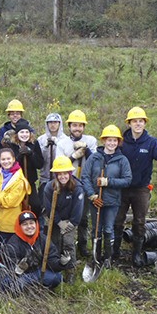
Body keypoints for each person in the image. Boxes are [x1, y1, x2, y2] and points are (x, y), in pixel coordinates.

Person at [114, 107, 157, 266]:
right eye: (134, 121)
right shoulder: (121, 141)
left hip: (141, 189)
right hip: (121, 187)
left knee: (139, 222)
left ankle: (136, 253)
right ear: (129, 123)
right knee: (117, 220)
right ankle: (114, 252)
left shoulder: (151, 142)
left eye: (141, 121)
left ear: (145, 123)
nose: (138, 124)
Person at [81, 125, 132, 268]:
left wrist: (108, 182)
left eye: (114, 140)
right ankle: (96, 257)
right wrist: (91, 195)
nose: (112, 143)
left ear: (118, 142)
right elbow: (85, 177)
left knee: (109, 229)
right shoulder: (94, 158)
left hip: (112, 201)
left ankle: (108, 258)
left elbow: (127, 180)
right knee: (96, 229)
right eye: (109, 140)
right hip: (95, 200)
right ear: (103, 141)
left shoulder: (122, 160)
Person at [0, 211, 69, 294]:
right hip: (22, 276)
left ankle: (36, 287)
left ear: (36, 224)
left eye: (31, 223)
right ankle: (26, 290)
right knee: (8, 284)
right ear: (19, 226)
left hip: (39, 272)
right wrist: (17, 270)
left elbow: (52, 260)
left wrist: (61, 263)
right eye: (25, 224)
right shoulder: (13, 243)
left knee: (57, 278)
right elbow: (8, 266)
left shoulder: (43, 239)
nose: (29, 227)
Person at [42, 156, 84, 284]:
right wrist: (59, 222)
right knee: (54, 243)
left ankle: (70, 269)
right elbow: (49, 209)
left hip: (70, 221)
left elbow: (78, 209)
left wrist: (70, 224)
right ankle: (55, 267)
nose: (63, 177)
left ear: (70, 173)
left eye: (65, 173)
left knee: (68, 243)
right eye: (59, 174)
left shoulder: (77, 188)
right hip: (55, 220)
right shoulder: (49, 188)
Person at [65, 109, 98, 258]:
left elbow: (96, 161)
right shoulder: (63, 142)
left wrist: (86, 150)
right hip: (68, 184)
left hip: (84, 184)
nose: (77, 128)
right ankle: (67, 246)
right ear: (69, 126)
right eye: (74, 125)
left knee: (83, 218)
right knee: (69, 217)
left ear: (84, 127)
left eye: (80, 125)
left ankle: (83, 245)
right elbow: (60, 164)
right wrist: (73, 156)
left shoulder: (90, 141)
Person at [7, 119, 44, 215]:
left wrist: (31, 154)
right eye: (22, 132)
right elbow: (10, 165)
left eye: (27, 132)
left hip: (29, 182)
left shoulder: (34, 144)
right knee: (17, 205)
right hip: (15, 182)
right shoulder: (11, 146)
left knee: (35, 205)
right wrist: (19, 155)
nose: (24, 134)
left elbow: (40, 164)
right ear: (17, 134)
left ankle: (35, 224)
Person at [37, 113, 73, 199]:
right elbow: (39, 160)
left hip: (61, 178)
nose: (53, 125)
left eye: (55, 122)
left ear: (60, 123)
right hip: (44, 178)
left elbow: (69, 157)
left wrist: (58, 144)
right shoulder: (41, 139)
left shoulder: (66, 139)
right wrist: (44, 148)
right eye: (50, 122)